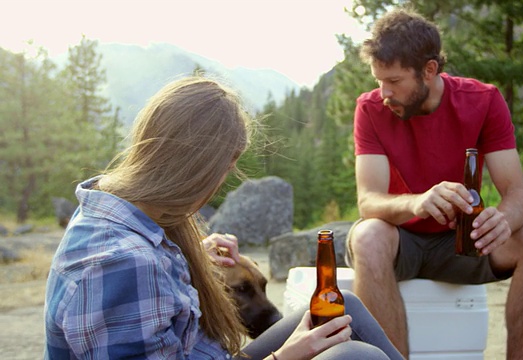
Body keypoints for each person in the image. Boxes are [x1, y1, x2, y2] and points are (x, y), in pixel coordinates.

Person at [44, 76, 403, 360]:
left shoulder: (113, 211)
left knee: (346, 308)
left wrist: (194, 255)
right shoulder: (120, 265)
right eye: (224, 171)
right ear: (194, 168)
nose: (217, 187)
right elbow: (133, 272)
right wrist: (283, 357)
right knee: (354, 355)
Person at [345, 8, 523, 360]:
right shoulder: (370, 109)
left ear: (430, 70)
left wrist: (503, 218)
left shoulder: (484, 100)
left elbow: (517, 194)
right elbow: (368, 201)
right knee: (368, 235)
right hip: (401, 242)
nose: (384, 92)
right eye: (378, 80)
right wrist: (416, 203)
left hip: (463, 241)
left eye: (394, 81)